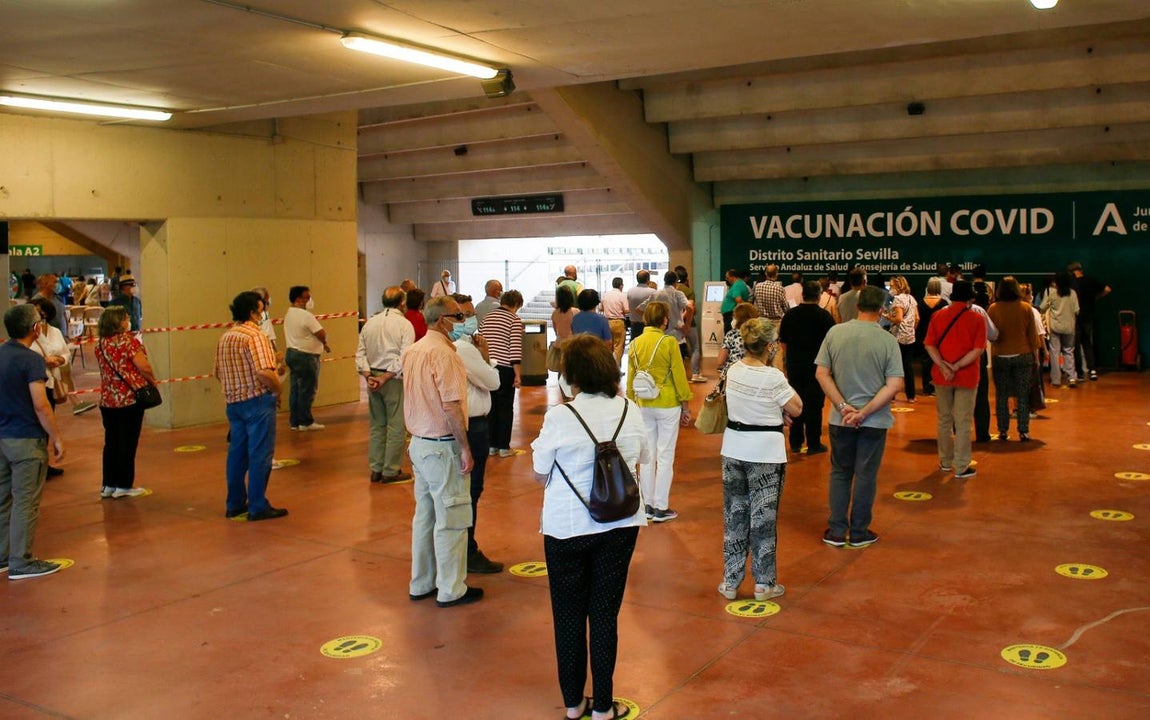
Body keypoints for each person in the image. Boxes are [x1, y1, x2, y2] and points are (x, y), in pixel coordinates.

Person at [531, 334, 649, 720]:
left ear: (571, 376)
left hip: (565, 527)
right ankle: (603, 706)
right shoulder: (630, 410)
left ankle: (573, 703)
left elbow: (538, 471)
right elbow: (643, 457)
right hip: (620, 524)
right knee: (604, 614)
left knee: (567, 616)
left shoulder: (560, 416)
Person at [403, 295, 482, 608]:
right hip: (442, 445)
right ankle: (451, 588)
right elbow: (450, 406)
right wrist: (465, 448)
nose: (463, 321)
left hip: (419, 444)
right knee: (451, 518)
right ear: (441, 320)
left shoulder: (414, 350)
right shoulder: (444, 355)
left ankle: (421, 582)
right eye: (458, 316)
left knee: (424, 516)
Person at [718, 318, 802, 601]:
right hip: (766, 453)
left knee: (735, 515)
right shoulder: (773, 377)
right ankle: (764, 584)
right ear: (770, 346)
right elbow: (797, 407)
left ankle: (730, 581)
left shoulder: (733, 370)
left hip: (733, 448)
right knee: (762, 519)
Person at [815, 286, 903, 548]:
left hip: (840, 420)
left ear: (857, 306)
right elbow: (894, 384)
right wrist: (864, 412)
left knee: (840, 472)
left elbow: (821, 373)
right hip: (873, 422)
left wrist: (843, 407)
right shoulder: (887, 340)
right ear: (881, 310)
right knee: (866, 475)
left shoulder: (835, 333)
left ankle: (837, 530)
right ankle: (860, 531)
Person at [1, 304, 67, 580]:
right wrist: (56, 437)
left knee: (3, 498)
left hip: (2, 437)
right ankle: (22, 561)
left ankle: (3, 555)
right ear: (35, 328)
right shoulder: (31, 361)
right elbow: (41, 404)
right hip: (26, 439)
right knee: (26, 500)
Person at [214, 291, 286, 521]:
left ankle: (235, 503)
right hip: (257, 402)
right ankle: (257, 505)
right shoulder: (255, 335)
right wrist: (277, 390)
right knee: (260, 454)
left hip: (233, 404)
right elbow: (265, 371)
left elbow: (217, 372)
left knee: (237, 455)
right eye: (261, 310)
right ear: (254, 313)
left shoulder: (226, 336)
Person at [450, 293, 503, 574]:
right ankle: (467, 551)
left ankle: (459, 550)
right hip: (473, 426)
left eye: (470, 314)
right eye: (461, 316)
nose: (468, 320)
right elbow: (493, 381)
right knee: (471, 491)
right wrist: (487, 358)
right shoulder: (464, 348)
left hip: (454, 426)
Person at [625, 301, 693, 523]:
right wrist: (686, 404)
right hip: (668, 403)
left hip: (644, 404)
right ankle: (661, 507)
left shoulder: (635, 343)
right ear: (664, 319)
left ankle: (647, 506)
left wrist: (632, 403)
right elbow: (678, 375)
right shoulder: (669, 342)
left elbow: (630, 378)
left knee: (646, 456)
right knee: (665, 456)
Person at [924, 281, 987, 480]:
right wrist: (957, 366)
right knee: (963, 421)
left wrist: (944, 366)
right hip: (967, 376)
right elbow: (978, 349)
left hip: (942, 376)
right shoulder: (977, 319)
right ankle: (961, 466)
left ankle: (945, 461)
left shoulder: (938, 315)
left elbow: (929, 345)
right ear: (971, 298)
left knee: (943, 419)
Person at [94, 305, 157, 500]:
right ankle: (124, 485)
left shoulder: (101, 344)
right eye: (125, 318)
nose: (128, 320)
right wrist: (152, 381)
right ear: (119, 322)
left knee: (111, 442)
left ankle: (108, 484)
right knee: (128, 442)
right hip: (129, 398)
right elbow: (143, 365)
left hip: (108, 399)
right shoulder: (128, 342)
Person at [356, 286, 414, 484]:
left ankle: (376, 468)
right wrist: (386, 377)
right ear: (402, 303)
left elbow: (360, 353)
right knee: (396, 425)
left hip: (373, 377)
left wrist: (369, 376)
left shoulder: (370, 323)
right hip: (393, 380)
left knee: (377, 425)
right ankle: (391, 470)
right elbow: (404, 356)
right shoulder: (404, 325)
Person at [779, 282, 835, 454]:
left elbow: (784, 343)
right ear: (819, 296)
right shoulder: (825, 316)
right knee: (814, 405)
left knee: (795, 402)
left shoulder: (790, 315)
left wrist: (788, 362)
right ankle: (813, 443)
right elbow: (831, 344)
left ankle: (795, 442)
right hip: (817, 367)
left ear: (803, 295)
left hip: (795, 364)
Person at [988, 277, 1039, 442]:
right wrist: (1036, 358)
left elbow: (990, 333)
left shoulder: (993, 308)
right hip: (1023, 355)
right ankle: (1023, 431)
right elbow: (1032, 335)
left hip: (1000, 355)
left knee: (1001, 394)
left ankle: (1003, 430)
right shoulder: (1026, 308)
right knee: (1023, 394)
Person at [479, 290, 524, 457]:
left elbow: (481, 343)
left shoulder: (486, 318)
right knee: (506, 408)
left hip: (488, 366)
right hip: (505, 369)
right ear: (516, 304)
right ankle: (504, 447)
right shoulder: (514, 320)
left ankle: (491, 445)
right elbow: (514, 350)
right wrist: (518, 375)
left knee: (491, 407)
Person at [27, 298, 70, 477]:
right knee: (35, 424)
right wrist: (44, 361)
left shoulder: (55, 332)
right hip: (35, 384)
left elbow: (65, 353)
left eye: (39, 311)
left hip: (52, 381)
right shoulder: (28, 335)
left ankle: (44, 465)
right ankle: (33, 465)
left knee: (47, 423)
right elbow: (25, 357)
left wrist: (59, 360)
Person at [284, 285, 328, 432]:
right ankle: (305, 421)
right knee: (307, 390)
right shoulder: (306, 315)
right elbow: (321, 333)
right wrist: (324, 342)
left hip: (292, 353)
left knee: (295, 389)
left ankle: (295, 422)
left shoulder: (289, 313)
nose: (309, 300)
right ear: (298, 299)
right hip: (306, 356)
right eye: (307, 297)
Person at [1068, 261, 1110, 381]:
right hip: (1089, 316)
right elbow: (1107, 289)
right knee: (1087, 344)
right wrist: (1096, 297)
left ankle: (1080, 373)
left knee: (1075, 345)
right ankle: (1092, 370)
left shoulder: (1071, 284)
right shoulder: (1091, 280)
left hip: (1075, 317)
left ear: (1071, 272)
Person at [1040, 271, 1079, 388]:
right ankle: (1071, 377)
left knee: (1054, 352)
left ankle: (1056, 379)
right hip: (1069, 327)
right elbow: (1077, 310)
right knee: (1069, 351)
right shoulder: (1072, 293)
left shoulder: (1052, 293)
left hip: (1055, 327)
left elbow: (1042, 307)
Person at [885, 276, 918, 403]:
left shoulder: (898, 299)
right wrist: (911, 329)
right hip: (910, 336)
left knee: (893, 366)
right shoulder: (912, 298)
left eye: (892, 286)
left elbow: (898, 319)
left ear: (898, 287)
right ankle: (911, 396)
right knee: (908, 366)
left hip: (898, 336)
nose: (890, 289)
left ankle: (891, 395)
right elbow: (917, 318)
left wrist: (888, 318)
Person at [915, 279, 948, 396]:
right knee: (938, 361)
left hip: (923, 334)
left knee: (925, 362)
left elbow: (917, 319)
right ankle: (936, 386)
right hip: (939, 336)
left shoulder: (920, 303)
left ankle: (926, 387)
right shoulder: (944, 304)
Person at [717, 302, 760, 380]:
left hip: (732, 375)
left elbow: (720, 361)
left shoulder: (731, 334)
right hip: (755, 375)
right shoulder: (759, 335)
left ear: (738, 318)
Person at [600, 277, 629, 365]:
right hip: (618, 322)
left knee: (608, 347)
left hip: (606, 322)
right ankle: (616, 369)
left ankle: (608, 367)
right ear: (621, 286)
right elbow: (627, 310)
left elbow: (601, 308)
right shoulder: (622, 295)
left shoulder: (605, 295)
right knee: (618, 347)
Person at [32, 274, 68, 338]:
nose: (57, 285)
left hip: (62, 338)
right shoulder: (36, 301)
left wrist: (67, 334)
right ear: (46, 284)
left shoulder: (58, 298)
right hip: (48, 340)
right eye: (55, 282)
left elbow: (64, 316)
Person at [626, 270, 656, 341]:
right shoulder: (652, 292)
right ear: (648, 279)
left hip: (634, 325)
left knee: (635, 347)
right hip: (648, 325)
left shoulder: (630, 291)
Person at [720, 268, 751, 335]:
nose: (726, 279)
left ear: (733, 277)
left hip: (731, 315)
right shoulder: (738, 284)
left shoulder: (737, 285)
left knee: (730, 335)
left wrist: (744, 311)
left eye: (727, 278)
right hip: (731, 314)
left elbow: (738, 300)